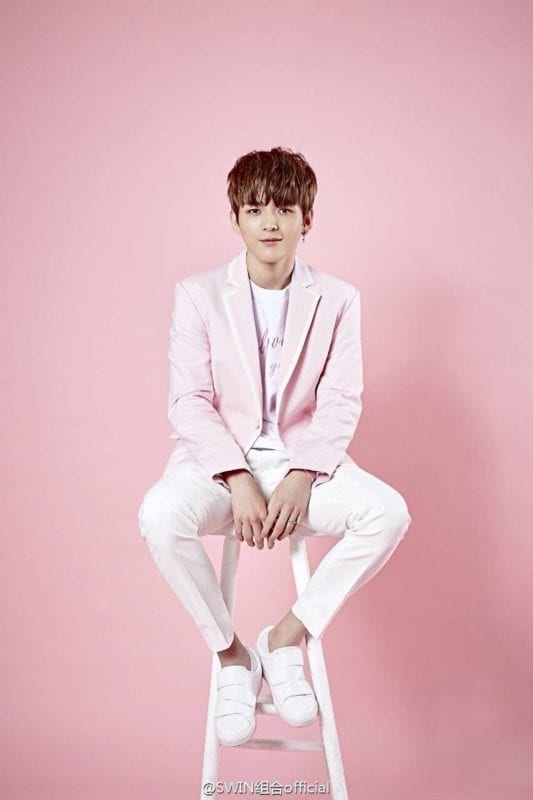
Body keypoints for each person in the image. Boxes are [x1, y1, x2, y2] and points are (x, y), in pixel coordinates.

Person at [137, 146, 412, 747]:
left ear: (306, 218)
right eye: (255, 209)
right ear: (234, 217)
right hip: (217, 464)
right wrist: (235, 476)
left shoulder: (339, 298)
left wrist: (303, 473)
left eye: (284, 209)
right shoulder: (198, 294)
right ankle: (233, 656)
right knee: (159, 515)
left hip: (301, 460)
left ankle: (286, 639)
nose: (270, 223)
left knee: (388, 513)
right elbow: (190, 401)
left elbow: (340, 400)